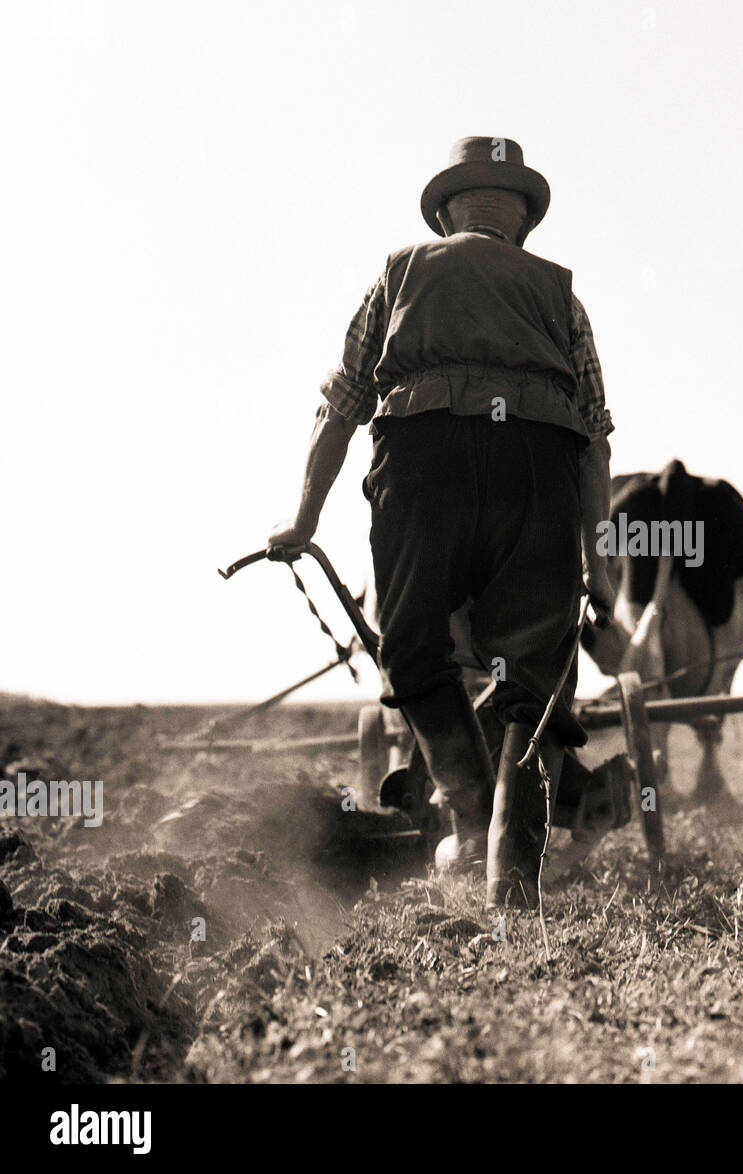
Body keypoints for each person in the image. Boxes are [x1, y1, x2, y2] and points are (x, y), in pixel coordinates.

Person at [268, 137, 616, 909]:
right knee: (532, 680)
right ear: (522, 221)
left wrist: (302, 518)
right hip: (538, 475)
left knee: (414, 648)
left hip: (422, 470)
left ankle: (461, 806)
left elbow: (343, 405)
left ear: (446, 214)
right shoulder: (562, 297)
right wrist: (603, 569)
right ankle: (511, 876)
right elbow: (594, 440)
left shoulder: (398, 277)